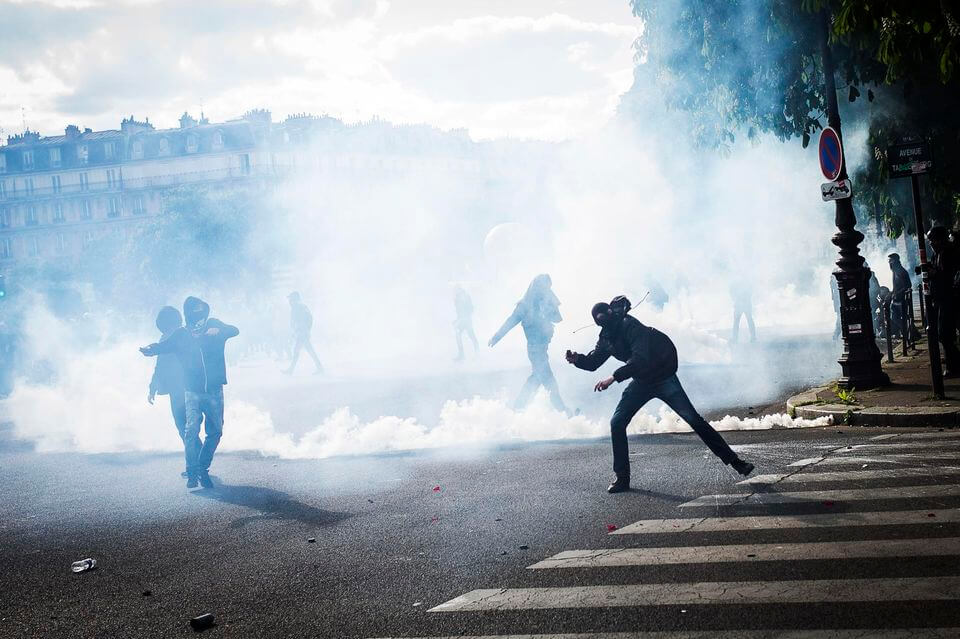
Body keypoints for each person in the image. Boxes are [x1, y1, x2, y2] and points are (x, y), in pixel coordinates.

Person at [565, 298, 754, 493]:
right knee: (617, 423)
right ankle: (622, 479)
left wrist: (613, 377)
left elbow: (640, 359)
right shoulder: (606, 337)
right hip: (641, 382)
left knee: (694, 420)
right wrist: (577, 359)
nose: (607, 323)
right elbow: (594, 362)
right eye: (602, 320)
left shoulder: (631, 326)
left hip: (663, 378)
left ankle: (736, 462)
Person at [140, 297, 239, 489]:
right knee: (188, 430)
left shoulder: (206, 327)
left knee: (207, 431)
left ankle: (198, 467)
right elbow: (161, 355)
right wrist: (151, 353)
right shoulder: (179, 335)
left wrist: (219, 330)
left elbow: (233, 330)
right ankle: (196, 469)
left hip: (204, 390)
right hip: (188, 391)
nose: (198, 316)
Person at [489, 274, 568, 413]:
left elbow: (558, 319)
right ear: (535, 287)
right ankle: (564, 411)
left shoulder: (546, 301)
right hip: (534, 350)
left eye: (548, 288)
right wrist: (496, 337)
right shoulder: (524, 306)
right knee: (550, 383)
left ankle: (517, 408)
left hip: (543, 348)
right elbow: (511, 321)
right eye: (543, 287)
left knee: (535, 379)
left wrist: (549, 306)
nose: (545, 290)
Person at [147, 306, 187, 476]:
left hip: (179, 388)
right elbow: (160, 365)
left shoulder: (171, 337)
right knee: (187, 426)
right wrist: (153, 386)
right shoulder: (185, 334)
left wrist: (153, 387)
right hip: (186, 387)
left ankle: (195, 463)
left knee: (183, 426)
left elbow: (160, 365)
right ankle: (196, 462)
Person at [927, 227, 960, 376]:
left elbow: (945, 274)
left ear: (940, 240)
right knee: (945, 334)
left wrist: (932, 272)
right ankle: (953, 364)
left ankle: (954, 366)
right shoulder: (937, 254)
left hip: (949, 298)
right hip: (942, 298)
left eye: (932, 240)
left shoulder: (948, 253)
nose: (930, 243)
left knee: (945, 334)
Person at [282, 291, 323, 375]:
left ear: (294, 299)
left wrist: (302, 329)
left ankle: (291, 370)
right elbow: (309, 318)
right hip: (302, 332)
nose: (289, 301)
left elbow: (305, 320)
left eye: (290, 298)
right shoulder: (300, 306)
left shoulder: (297, 307)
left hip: (302, 333)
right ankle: (319, 367)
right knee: (308, 350)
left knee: (298, 351)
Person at [888, 253, 913, 339]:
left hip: (901, 299)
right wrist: (891, 293)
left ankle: (910, 334)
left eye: (890, 260)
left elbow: (908, 285)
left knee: (900, 317)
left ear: (895, 261)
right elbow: (896, 286)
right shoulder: (895, 271)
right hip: (896, 299)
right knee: (895, 317)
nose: (889, 262)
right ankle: (908, 333)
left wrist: (898, 293)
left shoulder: (901, 271)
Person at [453, 285, 479, 361]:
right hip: (463, 320)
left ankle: (476, 354)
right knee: (459, 335)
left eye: (456, 290)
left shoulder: (464, 297)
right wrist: (457, 319)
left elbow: (470, 309)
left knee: (471, 336)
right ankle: (462, 355)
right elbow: (459, 312)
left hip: (466, 320)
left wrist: (463, 318)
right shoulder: (457, 298)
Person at [729, 279, 756, 343]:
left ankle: (752, 337)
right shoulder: (743, 281)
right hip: (742, 303)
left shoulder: (738, 281)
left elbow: (731, 291)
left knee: (746, 320)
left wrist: (736, 299)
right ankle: (752, 337)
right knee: (744, 321)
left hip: (743, 303)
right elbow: (731, 291)